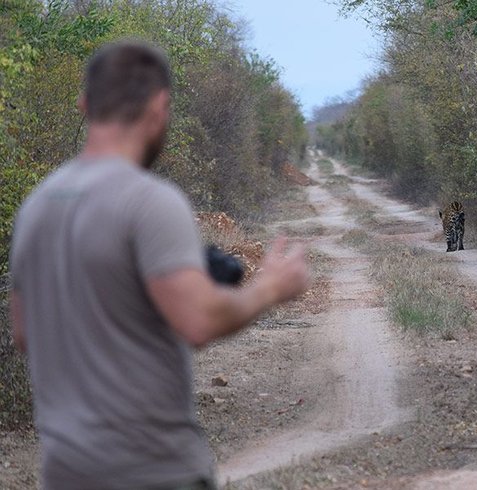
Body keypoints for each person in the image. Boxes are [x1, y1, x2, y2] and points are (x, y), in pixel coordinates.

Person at [9, 40, 310, 490]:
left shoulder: (36, 207)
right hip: (151, 470)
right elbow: (197, 321)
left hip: (64, 471)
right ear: (160, 105)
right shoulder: (149, 201)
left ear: (84, 104)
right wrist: (269, 287)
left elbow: (24, 333)